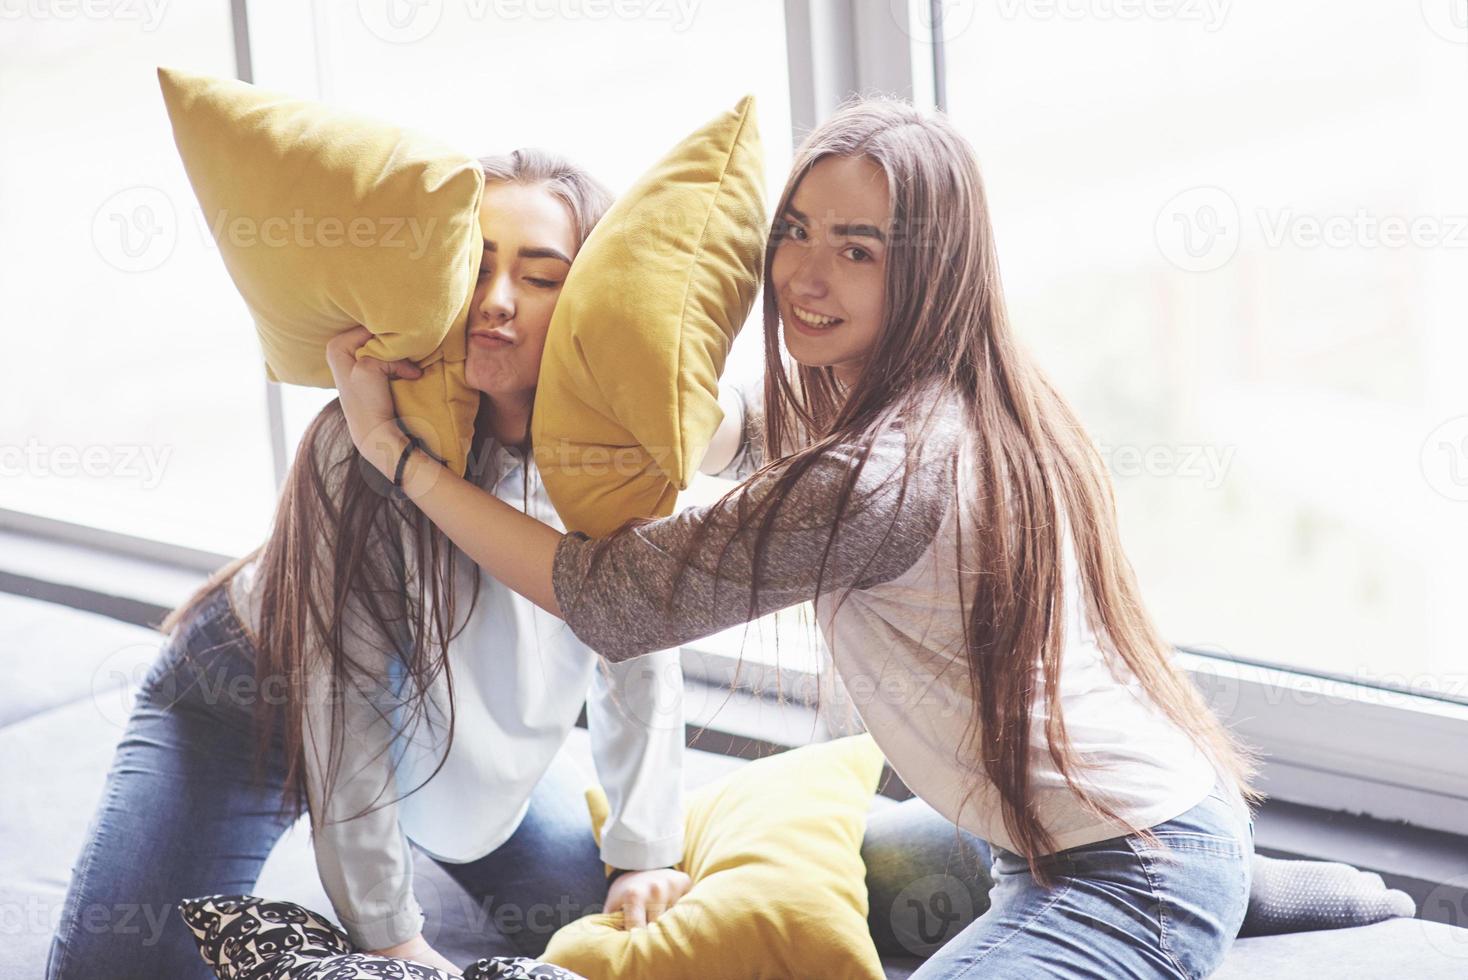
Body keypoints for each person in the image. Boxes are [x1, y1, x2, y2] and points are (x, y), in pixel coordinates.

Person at [328, 99, 1263, 978]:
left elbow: (615, 600)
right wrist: (603, 369)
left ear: (931, 269)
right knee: (888, 857)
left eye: (858, 251)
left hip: (1125, 866)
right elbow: (755, 430)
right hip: (1072, 827)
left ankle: (1211, 893)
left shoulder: (881, 477)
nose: (806, 277)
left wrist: (398, 459)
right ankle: (1254, 883)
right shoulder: (949, 391)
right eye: (795, 232)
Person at [46, 150, 690, 980]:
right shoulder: (362, 441)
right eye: (476, 265)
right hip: (244, 699)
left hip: (446, 730)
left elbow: (637, 656)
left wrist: (643, 849)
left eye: (540, 277)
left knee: (599, 912)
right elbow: (343, 715)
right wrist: (390, 940)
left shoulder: (620, 455)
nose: (495, 302)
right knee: (109, 969)